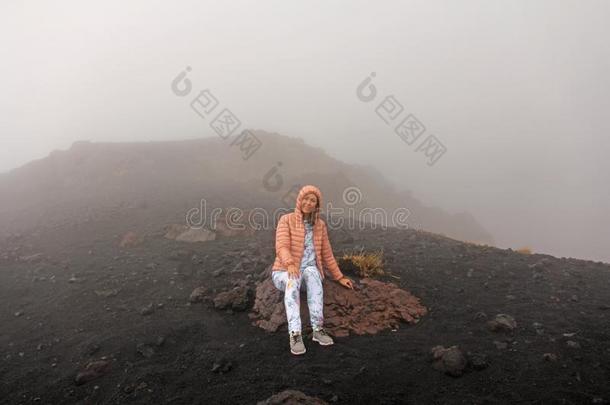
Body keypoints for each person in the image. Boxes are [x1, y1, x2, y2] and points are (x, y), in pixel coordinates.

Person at [271, 184, 354, 355]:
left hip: (306, 271)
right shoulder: (286, 220)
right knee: (293, 279)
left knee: (314, 273)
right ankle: (295, 334)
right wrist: (290, 264)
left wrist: (339, 277)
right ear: (299, 200)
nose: (308, 203)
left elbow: (327, 253)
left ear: (317, 206)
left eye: (313, 201)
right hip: (284, 272)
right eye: (306, 199)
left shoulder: (319, 225)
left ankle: (318, 329)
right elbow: (281, 246)